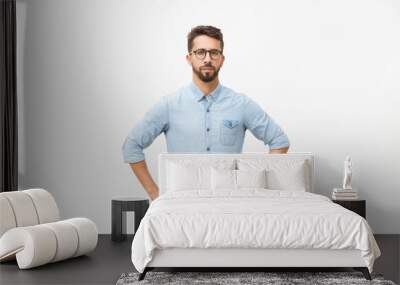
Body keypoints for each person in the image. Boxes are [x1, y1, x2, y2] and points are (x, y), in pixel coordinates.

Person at [122, 25, 290, 201]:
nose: (207, 59)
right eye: (200, 52)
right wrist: (154, 193)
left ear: (222, 59)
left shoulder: (241, 104)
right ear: (189, 58)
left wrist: (256, 184)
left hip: (230, 202)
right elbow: (131, 147)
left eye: (214, 53)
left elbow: (279, 141)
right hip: (182, 202)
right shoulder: (169, 105)